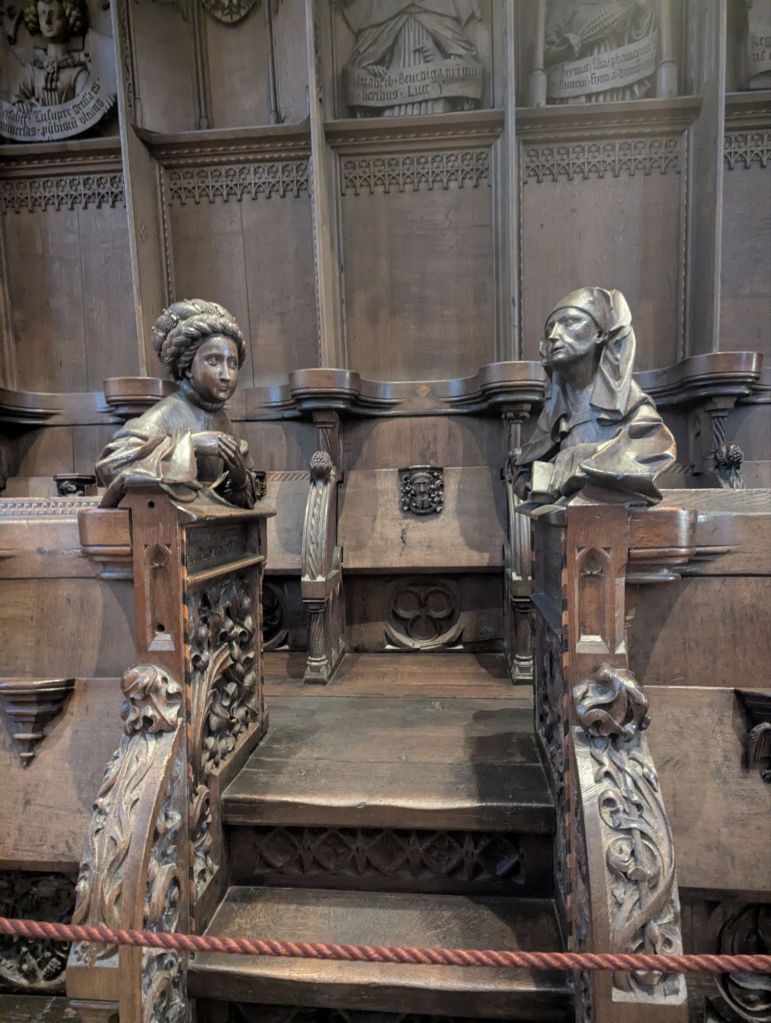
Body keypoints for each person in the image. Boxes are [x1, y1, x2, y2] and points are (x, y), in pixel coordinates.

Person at [511, 287, 675, 504]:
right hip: (564, 516)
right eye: (550, 328)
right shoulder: (556, 412)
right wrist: (530, 477)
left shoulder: (628, 403)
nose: (553, 336)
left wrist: (577, 456)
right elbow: (526, 472)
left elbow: (656, 449)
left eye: (570, 322)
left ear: (599, 334)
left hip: (611, 513)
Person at [96, 299, 263, 509]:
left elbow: (234, 500)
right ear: (187, 367)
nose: (226, 375)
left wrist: (239, 479)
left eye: (233, 364)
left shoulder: (222, 420)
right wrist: (191, 444)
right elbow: (113, 465)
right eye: (213, 361)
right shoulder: (164, 414)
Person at [343, 0, 483, 116]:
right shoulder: (380, 6)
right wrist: (371, 70)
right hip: (392, 100)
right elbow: (364, 58)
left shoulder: (441, 4)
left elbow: (465, 61)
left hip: (436, 99)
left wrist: (439, 60)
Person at [544, 0, 657, 103]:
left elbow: (640, 44)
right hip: (575, 86)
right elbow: (544, 54)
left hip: (614, 82)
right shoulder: (565, 4)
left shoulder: (622, 3)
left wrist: (643, 11)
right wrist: (565, 49)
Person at [15, 0, 90, 106]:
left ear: (68, 18)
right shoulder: (32, 71)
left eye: (54, 14)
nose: (47, 21)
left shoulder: (78, 72)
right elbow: (17, 100)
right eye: (42, 14)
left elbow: (86, 107)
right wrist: (22, 105)